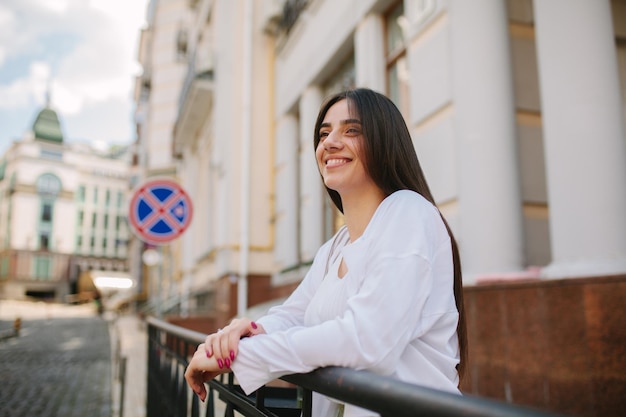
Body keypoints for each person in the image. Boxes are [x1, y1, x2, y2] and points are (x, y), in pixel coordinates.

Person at [185, 88, 467, 417]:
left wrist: (244, 357)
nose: (329, 142)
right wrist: (239, 335)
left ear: (385, 143)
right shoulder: (337, 246)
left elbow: (367, 338)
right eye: (324, 133)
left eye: (351, 130)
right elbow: (294, 315)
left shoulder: (409, 212)